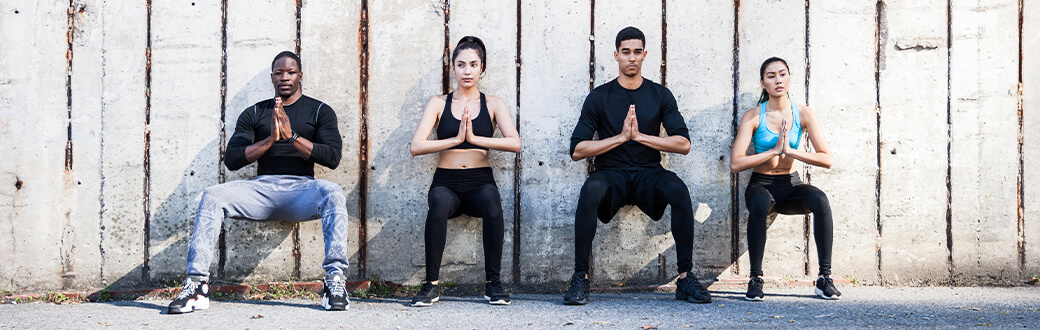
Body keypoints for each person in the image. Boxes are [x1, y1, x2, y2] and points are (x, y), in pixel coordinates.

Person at [167, 51, 351, 314]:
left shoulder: (320, 110)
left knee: (333, 192)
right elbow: (232, 159)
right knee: (212, 195)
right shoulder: (255, 112)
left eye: (290, 72)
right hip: (262, 189)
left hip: (302, 190)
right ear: (272, 77)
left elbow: (332, 157)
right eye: (279, 73)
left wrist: (292, 137)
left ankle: (334, 282)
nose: (284, 77)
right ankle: (197, 287)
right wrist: (270, 140)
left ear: (300, 75)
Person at [564, 26, 711, 305]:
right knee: (590, 190)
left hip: (648, 175)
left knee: (679, 190)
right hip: (611, 176)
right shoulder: (599, 97)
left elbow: (684, 144)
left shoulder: (659, 95)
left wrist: (641, 136)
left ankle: (685, 278)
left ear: (645, 55)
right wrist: (620, 138)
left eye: (637, 52)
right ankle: (580, 277)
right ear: (616, 55)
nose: (631, 58)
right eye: (625, 52)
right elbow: (577, 150)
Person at [408, 36, 521, 307]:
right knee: (437, 206)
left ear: (482, 67)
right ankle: (431, 285)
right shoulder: (438, 103)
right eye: (461, 64)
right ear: (453, 68)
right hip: (446, 182)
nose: (467, 71)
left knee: (493, 203)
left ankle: (493, 283)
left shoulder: (493, 103)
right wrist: (456, 140)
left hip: (480, 181)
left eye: (473, 64)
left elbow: (514, 143)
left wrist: (475, 138)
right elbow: (416, 146)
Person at [729, 57, 840, 301]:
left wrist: (791, 152)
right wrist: (771, 151)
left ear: (789, 78)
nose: (778, 80)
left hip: (791, 185)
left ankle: (824, 278)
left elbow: (827, 159)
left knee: (820, 200)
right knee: (759, 203)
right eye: (771, 76)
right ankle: (756, 278)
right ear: (763, 83)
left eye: (782, 74)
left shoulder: (804, 113)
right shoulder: (753, 116)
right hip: (761, 185)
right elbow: (736, 163)